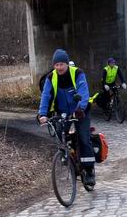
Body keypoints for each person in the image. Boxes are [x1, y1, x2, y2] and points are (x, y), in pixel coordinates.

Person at [37, 49, 96, 186]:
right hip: (63, 112)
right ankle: (67, 157)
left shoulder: (77, 73)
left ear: (67, 64)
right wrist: (43, 114)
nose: (59, 67)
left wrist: (80, 108)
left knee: (83, 138)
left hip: (81, 110)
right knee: (59, 135)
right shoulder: (51, 78)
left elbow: (83, 92)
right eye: (56, 65)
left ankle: (89, 171)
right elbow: (46, 96)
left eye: (61, 64)